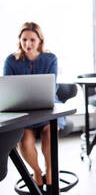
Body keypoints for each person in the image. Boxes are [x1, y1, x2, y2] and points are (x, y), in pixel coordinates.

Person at [3, 22, 59, 194]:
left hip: (47, 108)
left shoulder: (50, 59)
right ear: (19, 40)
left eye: (32, 40)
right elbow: (7, 89)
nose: (28, 44)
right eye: (24, 40)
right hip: (22, 111)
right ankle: (37, 172)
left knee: (49, 135)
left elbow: (53, 87)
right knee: (25, 142)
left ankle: (50, 175)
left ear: (40, 40)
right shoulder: (11, 60)